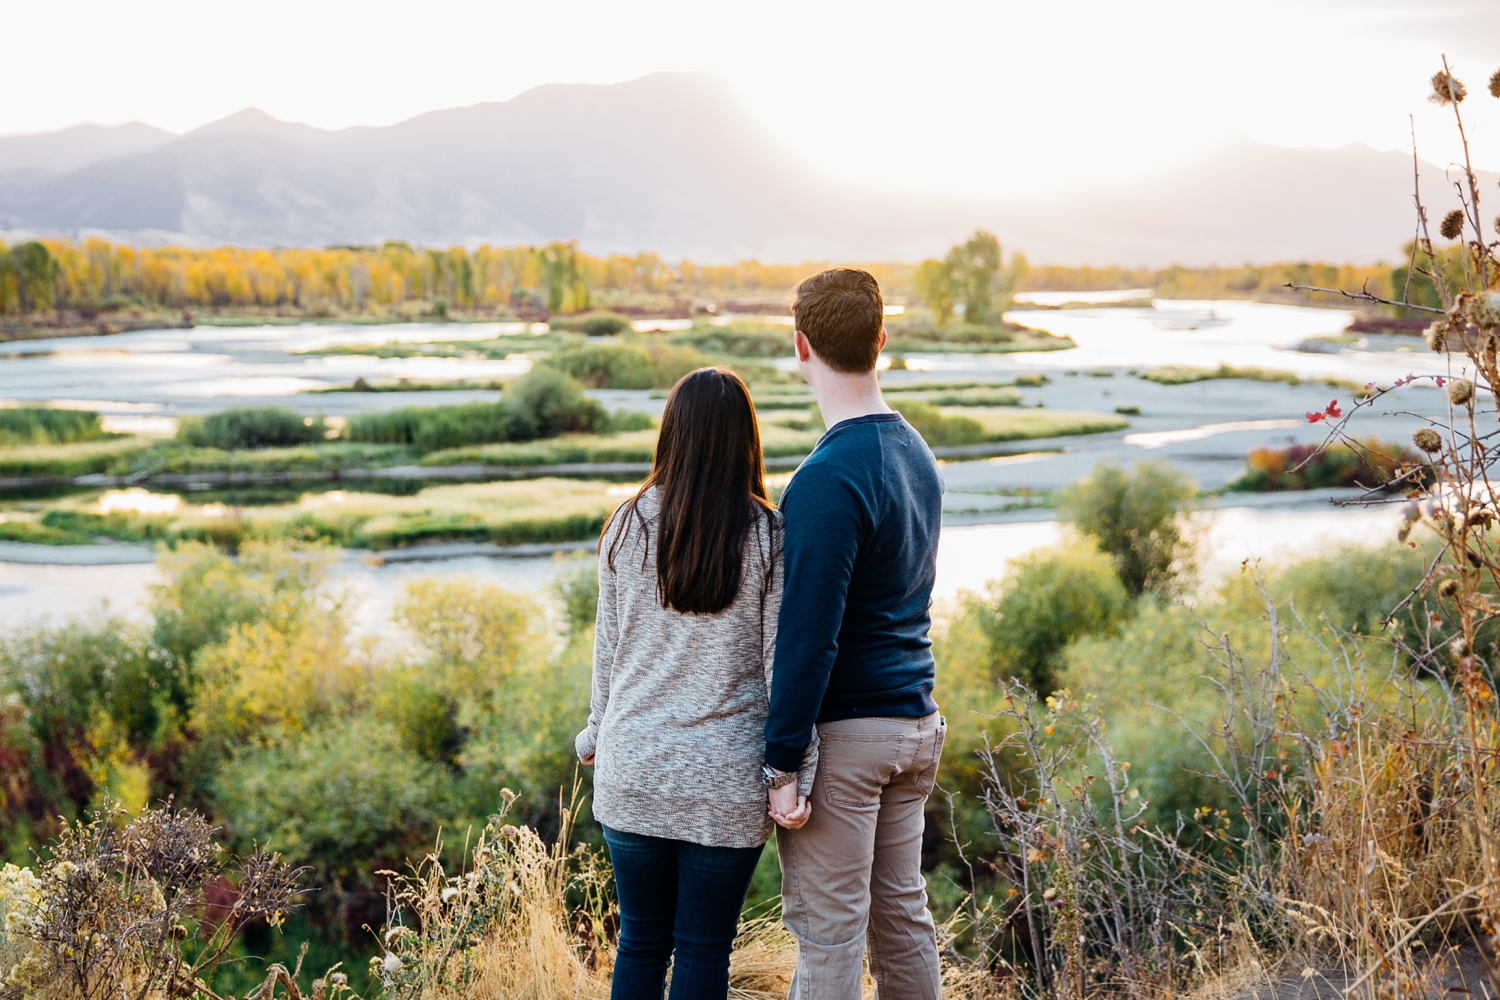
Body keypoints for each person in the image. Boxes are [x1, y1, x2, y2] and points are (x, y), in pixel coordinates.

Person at [575, 366, 818, 1000]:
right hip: (725, 782)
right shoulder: (766, 534)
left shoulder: (625, 525)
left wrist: (596, 731)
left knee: (640, 942)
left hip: (633, 768)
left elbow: (608, 651)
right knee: (704, 950)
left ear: (672, 434)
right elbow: (781, 665)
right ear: (744, 439)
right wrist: (791, 775)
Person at [763, 267, 947, 1000]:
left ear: (800, 346)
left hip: (850, 741)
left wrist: (781, 764)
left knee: (830, 931)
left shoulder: (825, 477)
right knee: (902, 919)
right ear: (881, 339)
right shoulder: (916, 452)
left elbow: (809, 639)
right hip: (916, 724)